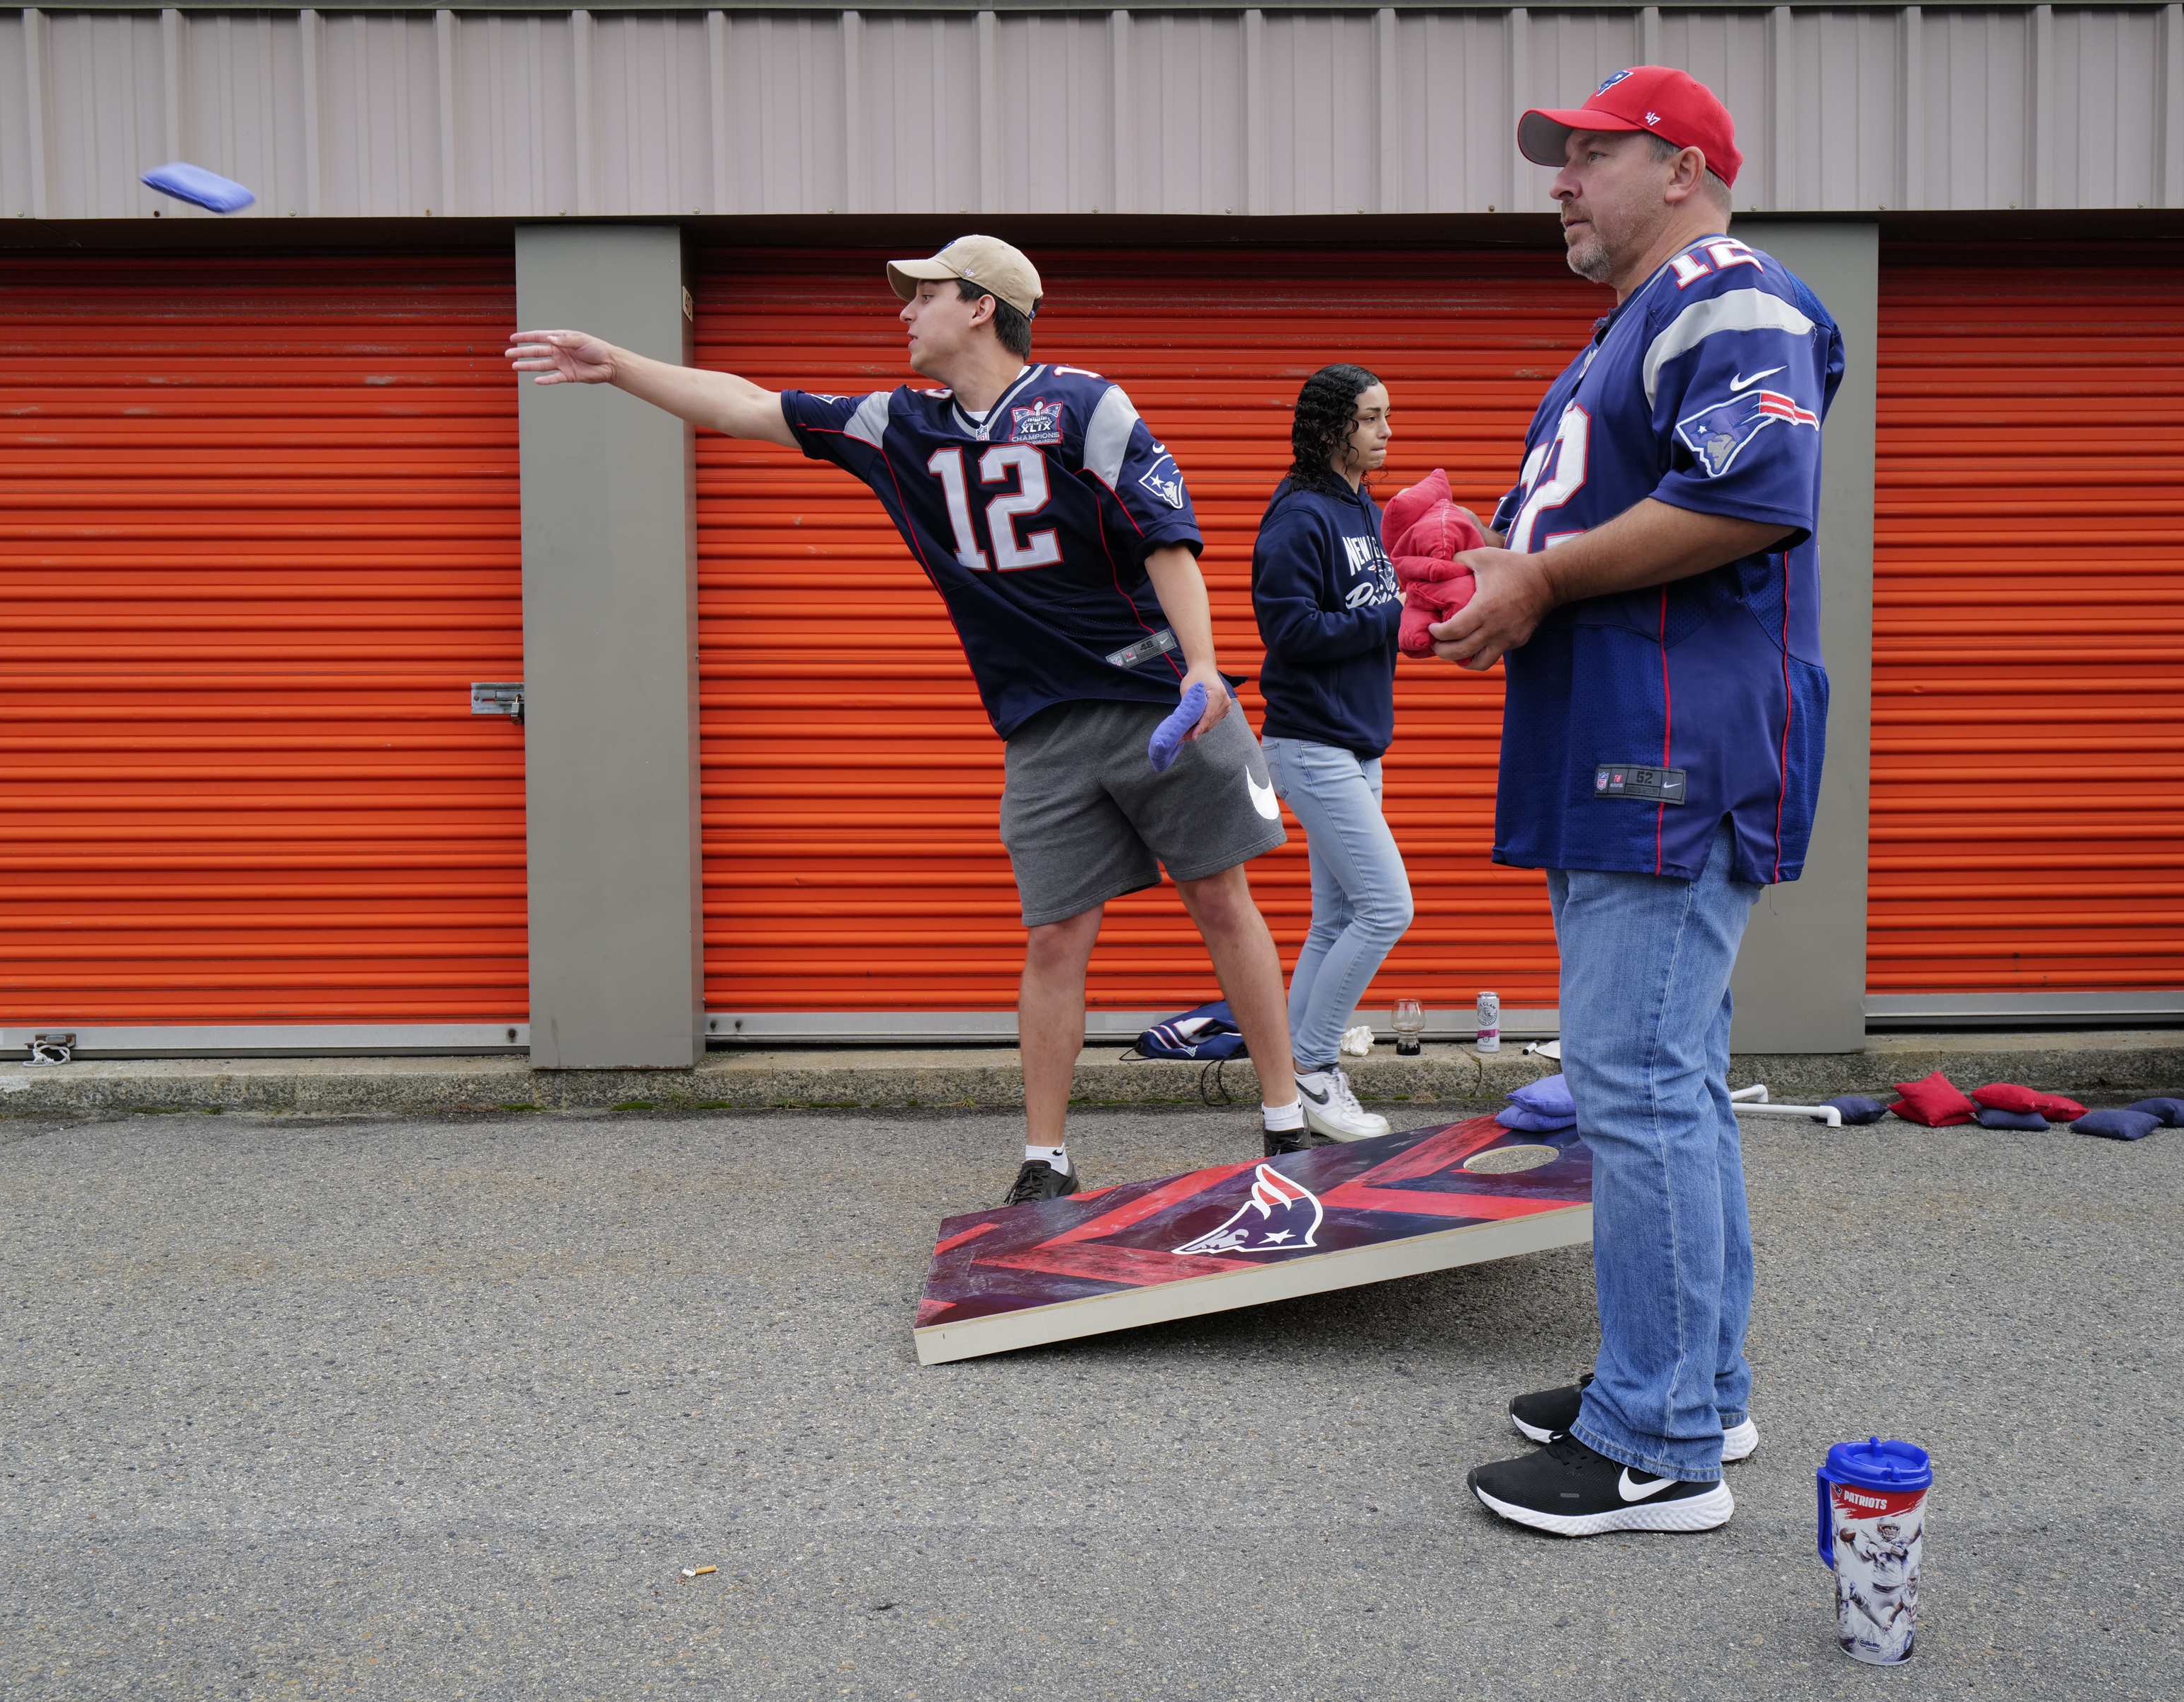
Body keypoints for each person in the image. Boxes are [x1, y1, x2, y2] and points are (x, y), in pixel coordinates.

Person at [506, 237, 1305, 1204]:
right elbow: (750, 405)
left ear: (979, 306)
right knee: (1055, 936)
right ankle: (1045, 1160)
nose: (903, 311)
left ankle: (1286, 1121)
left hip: (1162, 700)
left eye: (922, 294)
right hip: (1043, 728)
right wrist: (621, 366)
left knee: (1221, 901)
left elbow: (1166, 537)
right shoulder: (899, 424)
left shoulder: (1089, 402)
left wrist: (1209, 670)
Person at [1434, 67, 1845, 1536]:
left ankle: (1658, 1445)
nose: (1559, 179)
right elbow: (1609, 527)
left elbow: (1754, 489)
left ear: (1680, 168)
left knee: (1638, 1084)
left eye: (1590, 154)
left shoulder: (1728, 292)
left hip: (1669, 750)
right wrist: (1498, 565)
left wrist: (1538, 574)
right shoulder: (1638, 326)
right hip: (1625, 740)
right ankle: (1694, 1384)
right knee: (1662, 1080)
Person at [1249, 364, 1408, 1146]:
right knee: (1388, 907)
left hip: (1355, 740)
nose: (1387, 431)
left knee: (1335, 918)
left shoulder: (1360, 507)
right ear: (1331, 427)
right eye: (1372, 418)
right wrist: (1391, 617)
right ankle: (1313, 1066)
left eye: (1386, 416)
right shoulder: (1299, 517)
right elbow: (1292, 632)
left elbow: (1366, 610)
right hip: (1311, 744)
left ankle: (1290, 1078)